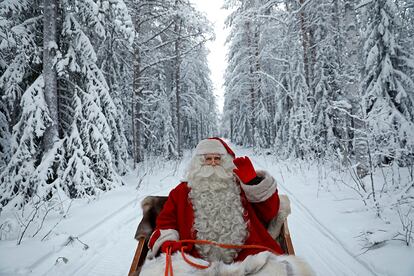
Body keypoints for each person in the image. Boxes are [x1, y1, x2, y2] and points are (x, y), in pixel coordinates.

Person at [140, 138, 314, 275]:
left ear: (226, 162)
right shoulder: (180, 192)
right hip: (195, 262)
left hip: (249, 259)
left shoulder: (240, 187)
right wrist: (170, 242)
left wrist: (253, 182)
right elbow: (166, 223)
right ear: (197, 163)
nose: (213, 163)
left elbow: (269, 212)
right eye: (208, 159)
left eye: (218, 159)